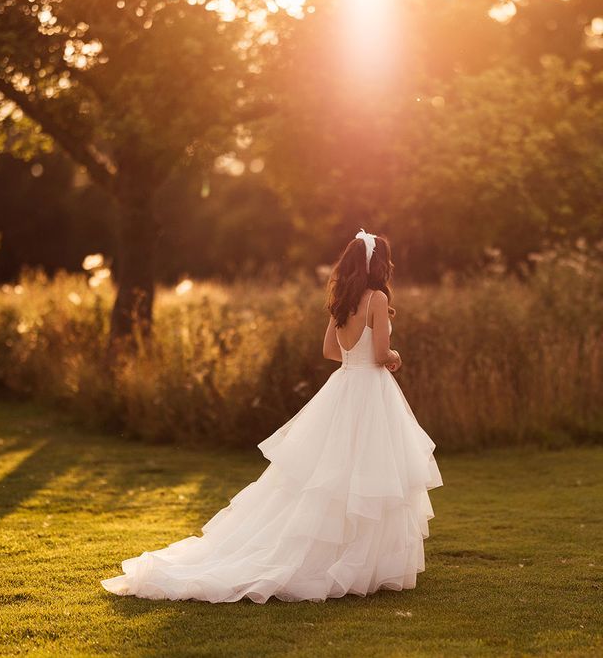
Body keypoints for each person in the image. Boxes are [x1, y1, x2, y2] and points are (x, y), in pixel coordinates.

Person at [101, 229, 443, 603]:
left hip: (343, 385)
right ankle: (358, 563)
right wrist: (395, 357)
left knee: (331, 477)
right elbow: (380, 355)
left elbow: (330, 350)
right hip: (369, 392)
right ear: (379, 264)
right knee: (368, 475)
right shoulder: (376, 298)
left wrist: (357, 355)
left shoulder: (342, 300)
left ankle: (347, 561)